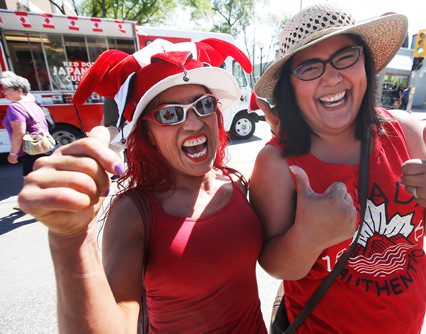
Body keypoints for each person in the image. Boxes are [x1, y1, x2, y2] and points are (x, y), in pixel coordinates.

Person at [251, 3, 426, 333]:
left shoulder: (406, 132)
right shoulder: (276, 163)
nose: (332, 77)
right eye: (309, 67)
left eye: (346, 56)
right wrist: (306, 238)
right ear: (290, 86)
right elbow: (274, 264)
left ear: (366, 63)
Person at [17, 38, 267, 333]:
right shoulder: (134, 212)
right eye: (169, 114)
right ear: (147, 136)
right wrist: (70, 239)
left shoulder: (237, 182)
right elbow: (118, 322)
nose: (194, 123)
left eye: (204, 105)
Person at [1, 72, 51, 175]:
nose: (3, 91)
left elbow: (19, 132)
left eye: (6, 88)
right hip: (43, 147)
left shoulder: (15, 107)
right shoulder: (33, 104)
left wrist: (13, 153)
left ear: (19, 90)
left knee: (34, 185)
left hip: (30, 151)